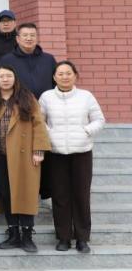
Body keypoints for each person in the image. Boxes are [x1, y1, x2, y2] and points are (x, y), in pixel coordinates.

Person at [39, 61, 106, 252]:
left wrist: (86, 131)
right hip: (56, 154)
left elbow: (99, 120)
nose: (65, 77)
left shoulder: (86, 96)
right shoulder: (46, 97)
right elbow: (39, 121)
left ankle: (82, 238)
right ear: (54, 77)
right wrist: (50, 134)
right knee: (60, 196)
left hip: (82, 152)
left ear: (75, 75)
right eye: (60, 74)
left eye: (68, 73)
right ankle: (64, 238)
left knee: (81, 196)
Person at [0, 65, 52, 253]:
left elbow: (39, 124)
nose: (5, 79)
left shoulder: (27, 98)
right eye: (1, 76)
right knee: (6, 194)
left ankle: (27, 235)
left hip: (24, 155)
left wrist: (39, 149)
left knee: (26, 193)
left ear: (15, 78)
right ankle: (13, 234)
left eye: (9, 76)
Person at [0, 23, 57, 99]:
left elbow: (57, 82)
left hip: (46, 103)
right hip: (17, 104)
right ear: (17, 39)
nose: (29, 38)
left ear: (37, 38)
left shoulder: (49, 59)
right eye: (25, 35)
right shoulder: (7, 60)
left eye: (32, 35)